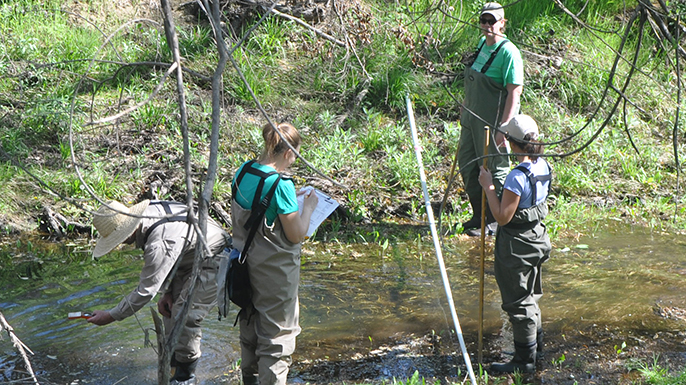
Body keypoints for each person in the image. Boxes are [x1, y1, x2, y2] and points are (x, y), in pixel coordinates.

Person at [88, 200, 229, 385]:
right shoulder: (150, 216)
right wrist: (167, 292)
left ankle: (185, 377)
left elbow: (145, 292)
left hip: (216, 257)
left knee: (184, 316)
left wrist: (111, 316)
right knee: (169, 312)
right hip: (189, 257)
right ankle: (173, 364)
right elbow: (173, 253)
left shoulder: (158, 243)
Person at [231, 122, 318, 385]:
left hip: (242, 266)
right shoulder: (281, 185)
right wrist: (309, 208)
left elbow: (258, 205)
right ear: (288, 154)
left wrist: (292, 200)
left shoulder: (243, 171)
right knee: (276, 340)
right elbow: (296, 234)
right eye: (294, 157)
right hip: (272, 275)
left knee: (250, 328)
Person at [478, 114, 551, 373]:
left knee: (519, 302)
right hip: (538, 237)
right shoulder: (544, 165)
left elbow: (502, 218)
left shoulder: (516, 177)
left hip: (517, 246)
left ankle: (523, 362)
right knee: (531, 295)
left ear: (510, 143)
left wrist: (488, 187)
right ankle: (535, 348)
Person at [459, 2, 524, 236]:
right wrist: (465, 106)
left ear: (502, 24)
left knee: (494, 169)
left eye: (492, 21)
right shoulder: (481, 44)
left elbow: (514, 93)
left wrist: (504, 128)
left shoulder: (509, 53)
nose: (487, 26)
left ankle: (495, 221)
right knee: (467, 164)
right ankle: (479, 215)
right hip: (472, 118)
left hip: (494, 122)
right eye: (484, 21)